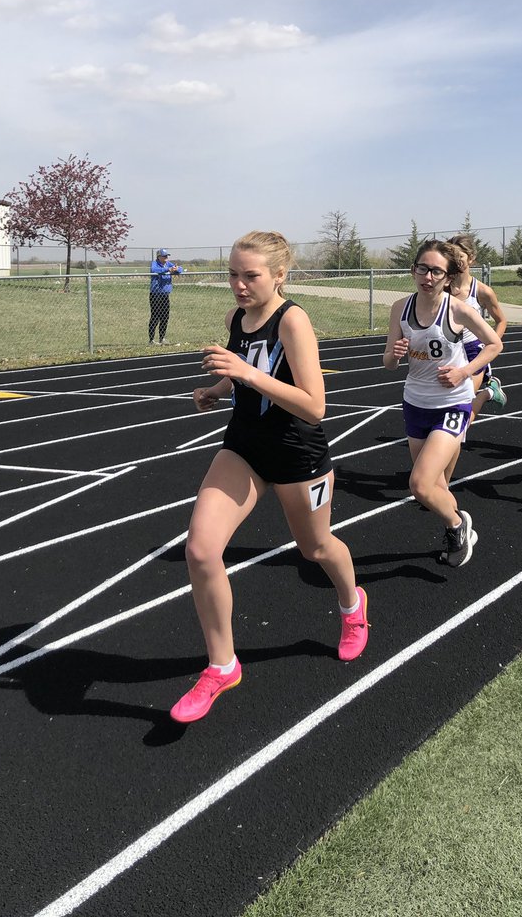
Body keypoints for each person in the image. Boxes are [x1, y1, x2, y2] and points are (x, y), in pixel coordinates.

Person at [170, 231, 368, 724]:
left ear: (279, 275)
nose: (238, 284)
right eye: (233, 274)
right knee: (200, 550)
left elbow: (315, 406)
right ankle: (222, 665)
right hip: (244, 445)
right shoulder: (236, 318)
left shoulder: (293, 321)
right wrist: (219, 387)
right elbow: (245, 370)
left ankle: (352, 605)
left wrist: (247, 374)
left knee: (316, 548)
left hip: (296, 452)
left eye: (250, 275)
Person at [383, 239, 502, 567]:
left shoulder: (458, 310)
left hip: (453, 404)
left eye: (436, 271)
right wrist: (393, 355)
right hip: (415, 403)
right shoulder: (400, 309)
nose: (428, 276)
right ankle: (461, 525)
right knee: (434, 484)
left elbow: (494, 345)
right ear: (413, 270)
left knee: (420, 485)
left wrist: (464, 372)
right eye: (423, 268)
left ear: (448, 277)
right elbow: (389, 363)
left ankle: (457, 525)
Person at [446, 234, 508, 412]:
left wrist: (489, 346)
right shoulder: (441, 288)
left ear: (471, 259)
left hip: (473, 351)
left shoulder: (482, 291)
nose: (455, 262)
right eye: (451, 257)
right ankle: (491, 390)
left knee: (462, 407)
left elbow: (501, 320)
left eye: (460, 257)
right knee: (446, 404)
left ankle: (486, 393)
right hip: (449, 351)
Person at [148, 249, 183, 345]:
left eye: (167, 256)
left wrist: (176, 269)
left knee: (165, 317)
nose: (166, 258)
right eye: (164, 256)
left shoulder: (168, 264)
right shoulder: (155, 263)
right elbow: (154, 270)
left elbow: (180, 269)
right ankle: (151, 340)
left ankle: (162, 338)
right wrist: (168, 270)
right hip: (155, 294)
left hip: (165, 294)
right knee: (155, 317)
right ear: (159, 257)